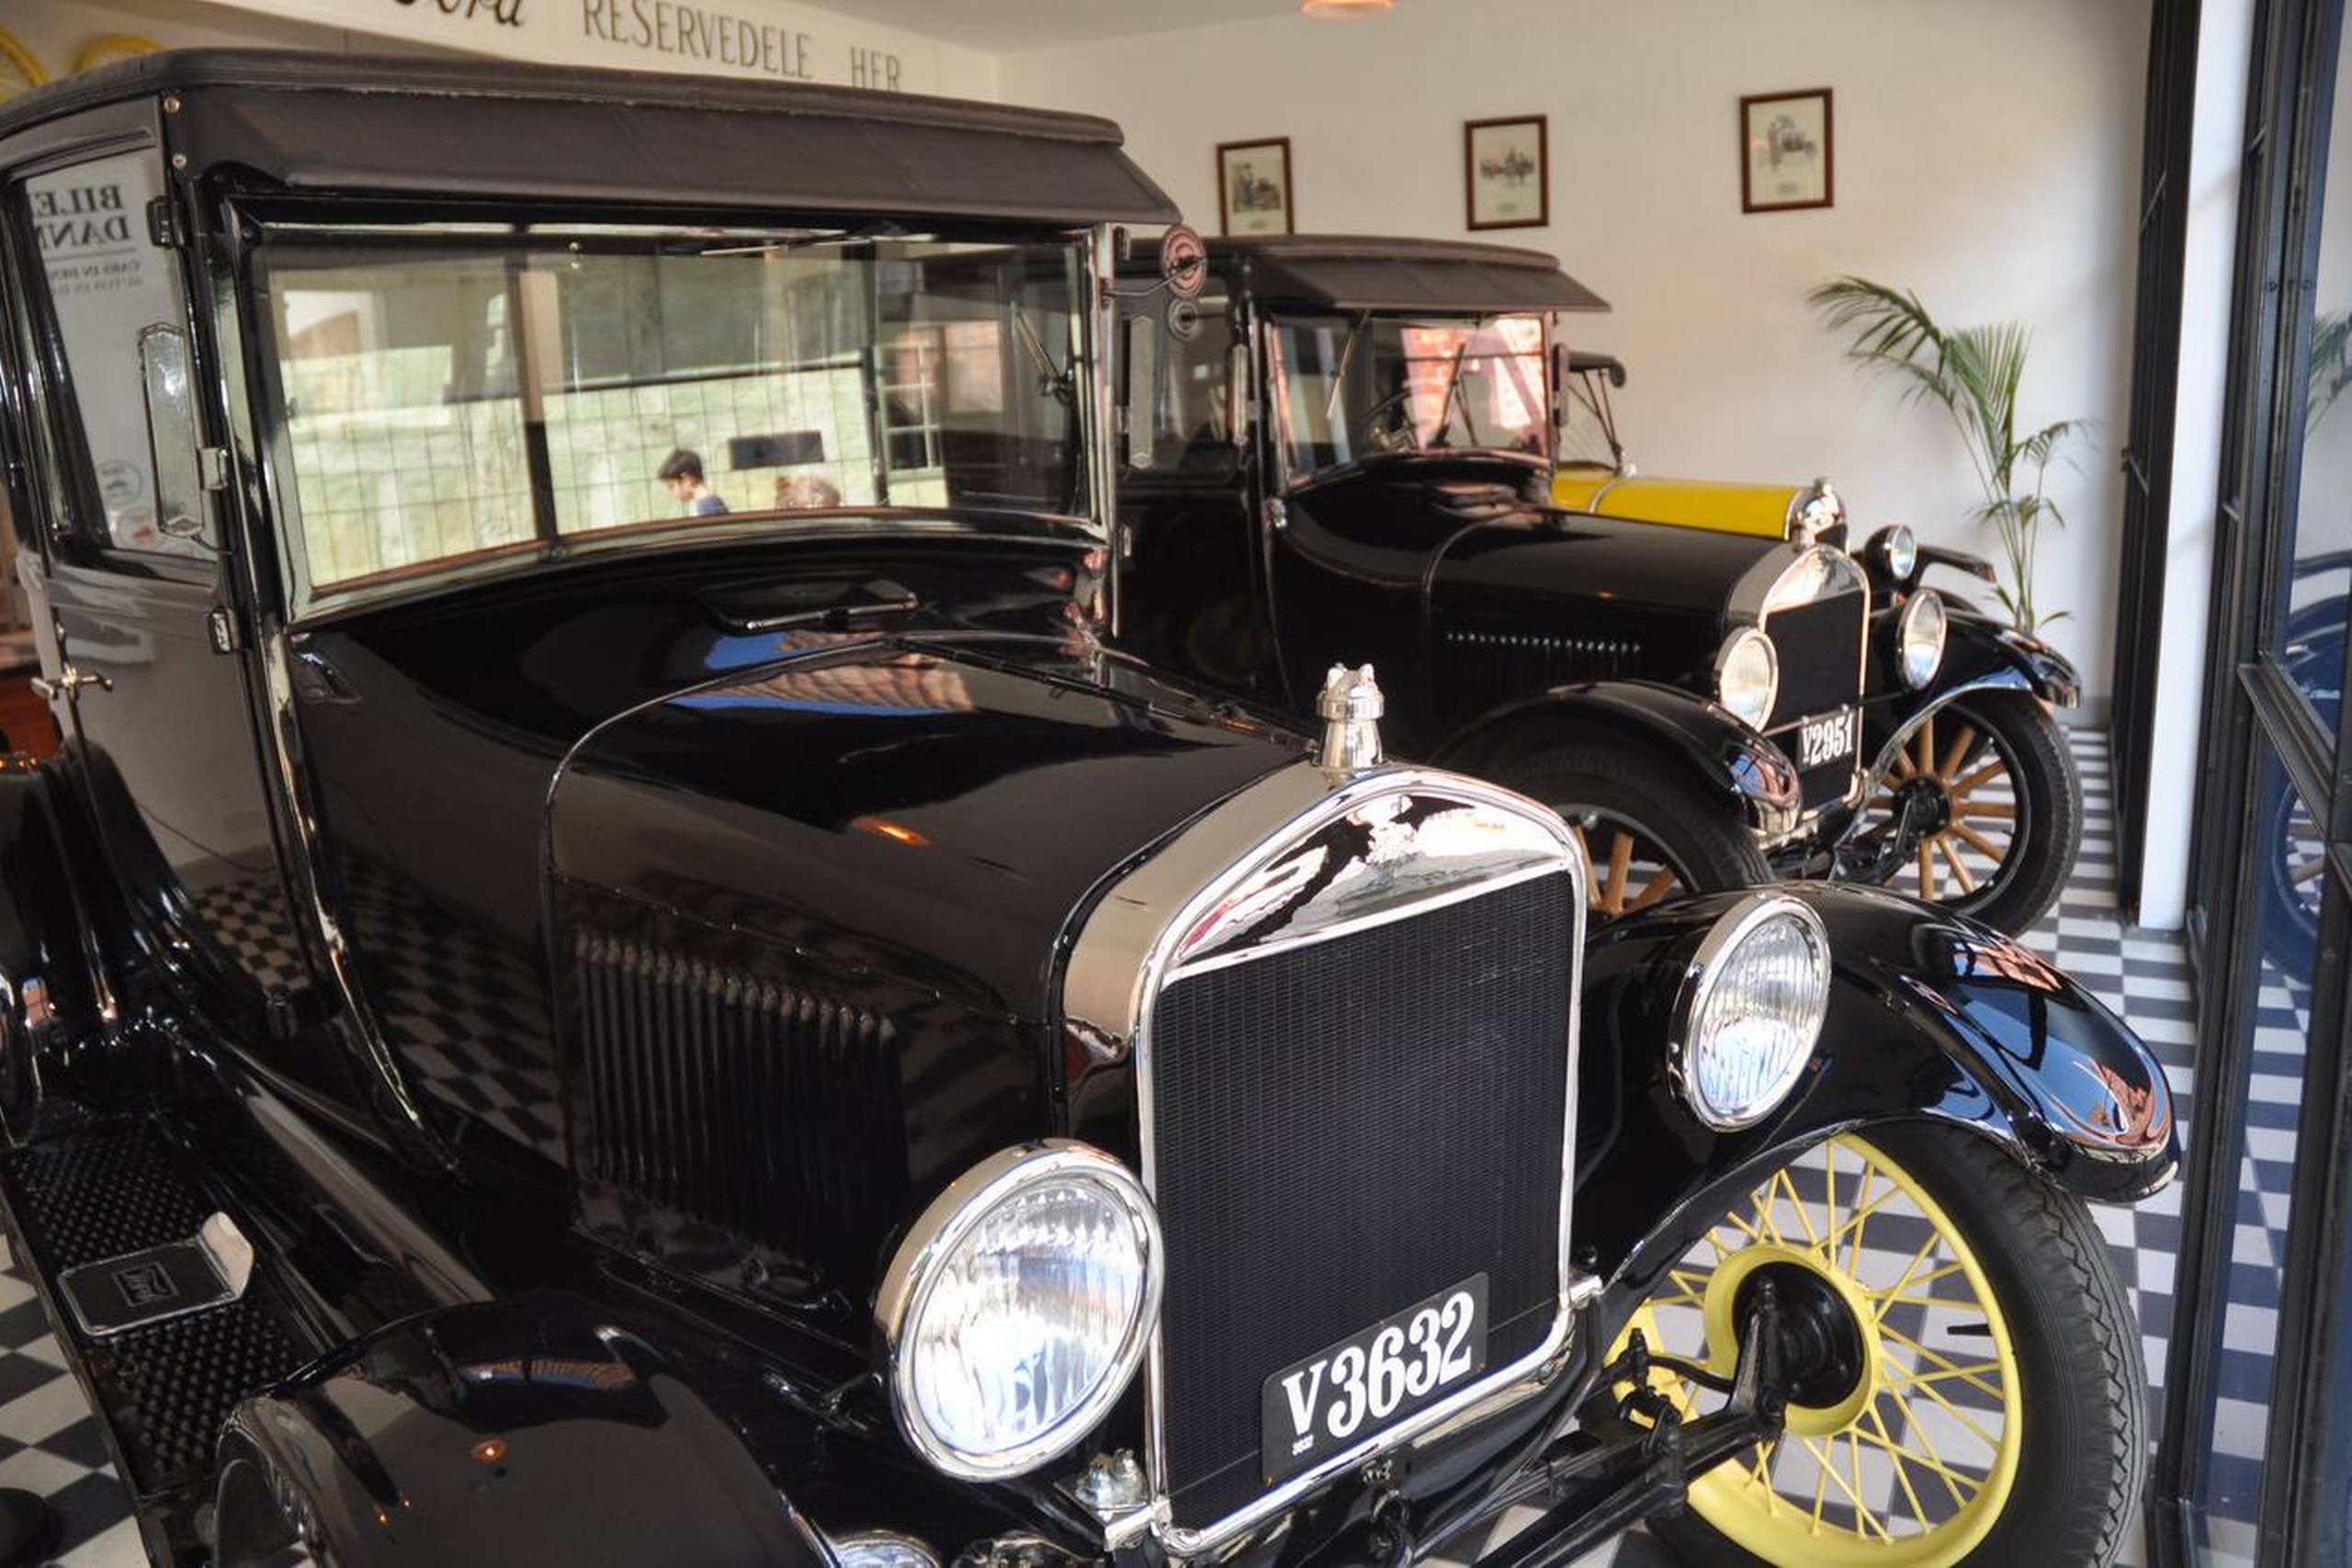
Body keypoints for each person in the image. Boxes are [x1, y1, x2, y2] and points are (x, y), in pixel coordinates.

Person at [657, 449, 728, 516]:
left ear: (686, 479)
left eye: (671, 486)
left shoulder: (707, 507)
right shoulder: (709, 503)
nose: (671, 491)